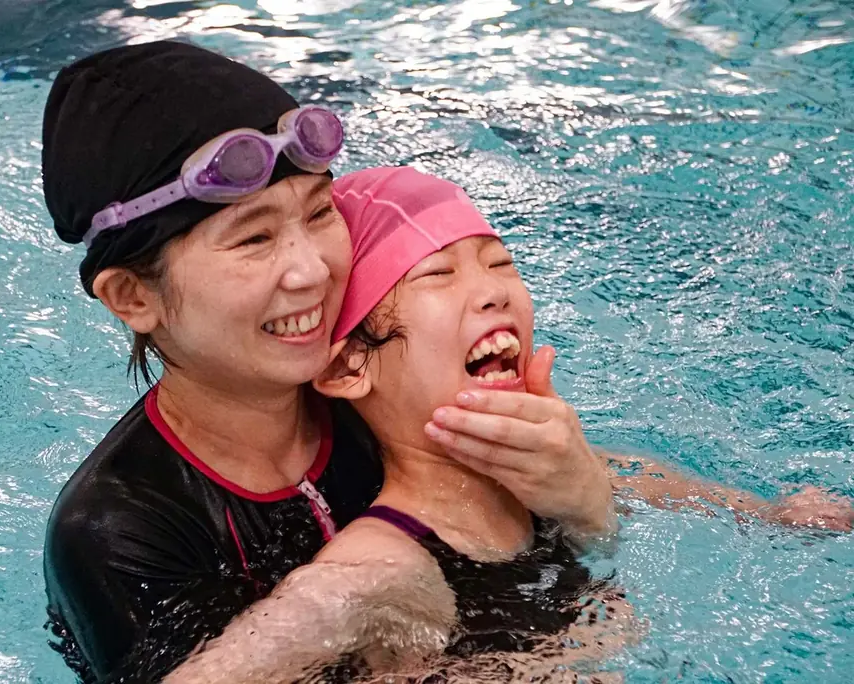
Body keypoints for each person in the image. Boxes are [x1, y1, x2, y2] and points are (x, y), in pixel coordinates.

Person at [40, 43, 617, 684]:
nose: (314, 270)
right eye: (255, 238)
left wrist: (584, 495)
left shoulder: (390, 387)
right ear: (134, 296)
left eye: (320, 213)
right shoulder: (118, 533)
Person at [155, 167, 854, 684]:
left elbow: (678, 495)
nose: (492, 290)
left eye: (500, 263)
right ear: (346, 369)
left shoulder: (551, 471)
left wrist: (780, 515)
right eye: (436, 277)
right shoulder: (380, 570)